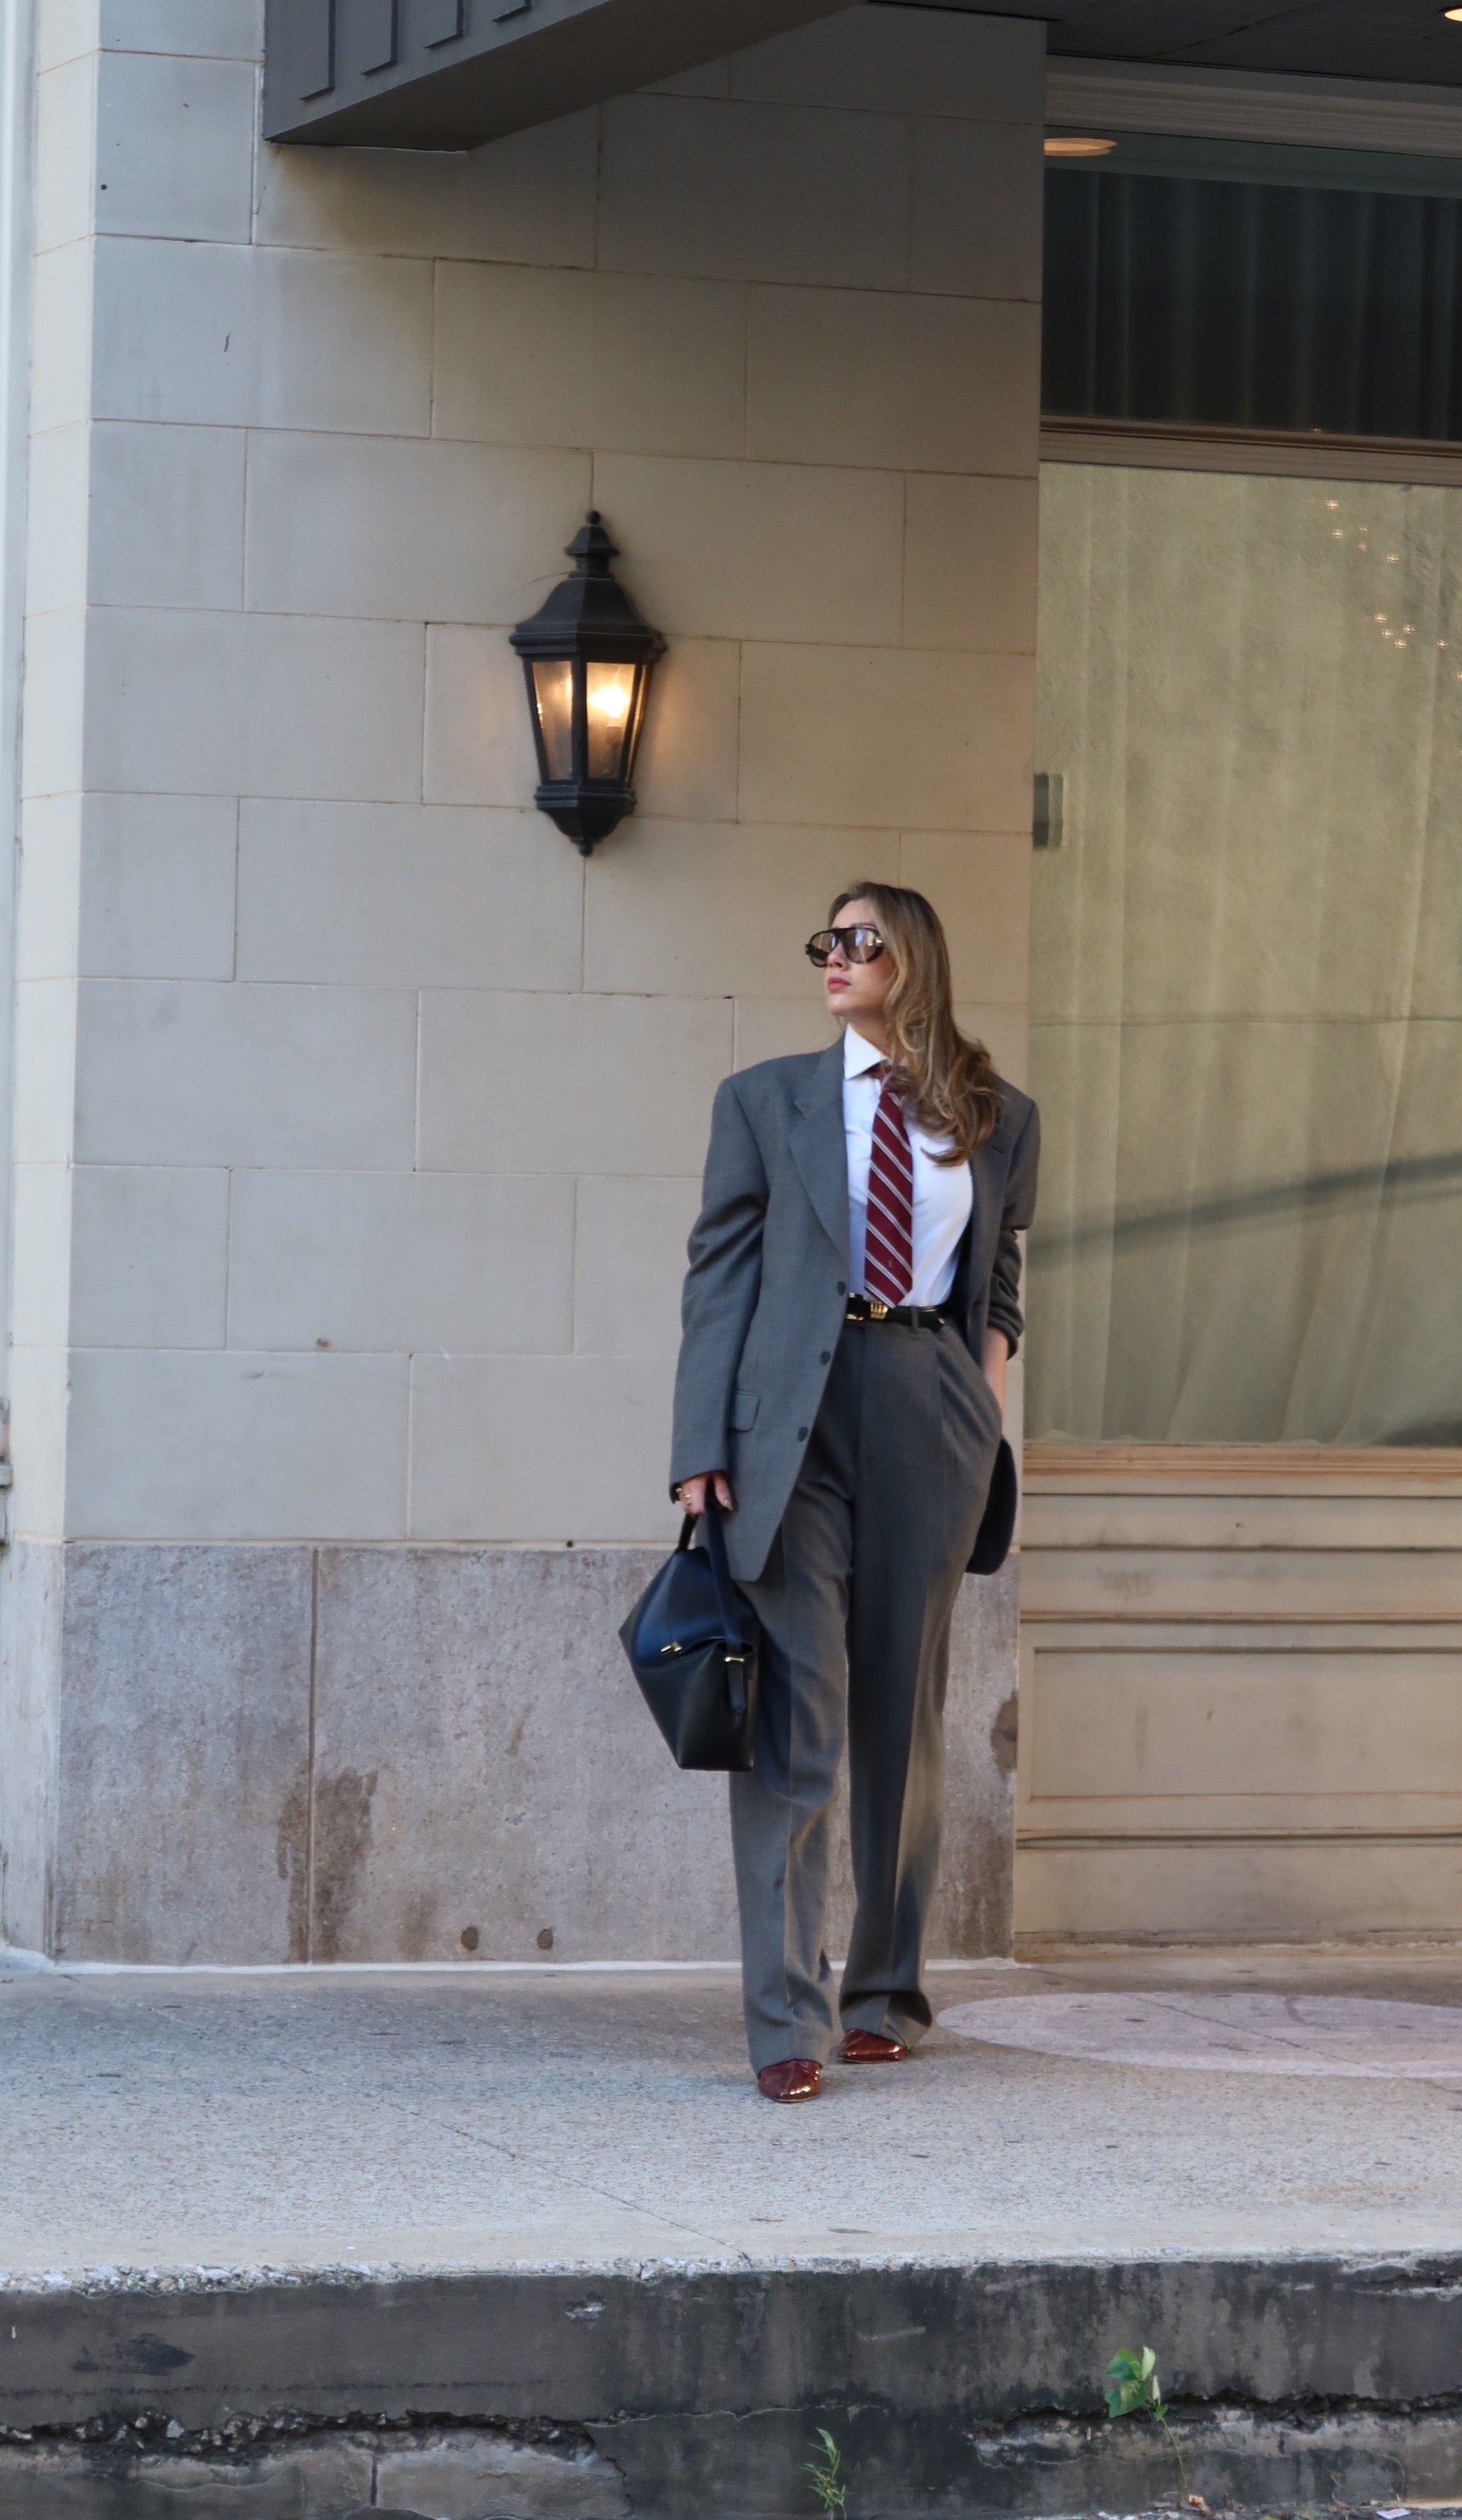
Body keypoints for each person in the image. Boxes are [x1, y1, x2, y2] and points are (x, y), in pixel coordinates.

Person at [671, 883, 1040, 2104]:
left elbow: (998, 1288)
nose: (833, 957)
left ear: (912, 960)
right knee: (802, 1721)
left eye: (859, 941)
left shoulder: (997, 1116)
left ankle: (886, 1993)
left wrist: (977, 1403)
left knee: (904, 1719)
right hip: (794, 1420)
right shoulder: (764, 1102)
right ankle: (786, 2018)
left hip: (929, 1411)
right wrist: (697, 1446)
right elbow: (717, 1277)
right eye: (824, 941)